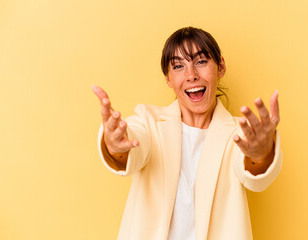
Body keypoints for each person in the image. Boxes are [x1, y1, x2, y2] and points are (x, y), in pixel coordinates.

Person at [92, 26, 282, 240]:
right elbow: (133, 147)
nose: (191, 75)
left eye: (201, 62)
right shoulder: (149, 121)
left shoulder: (241, 133)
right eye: (178, 66)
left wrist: (260, 153)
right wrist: (115, 146)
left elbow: (254, 177)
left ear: (220, 67)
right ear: (168, 79)